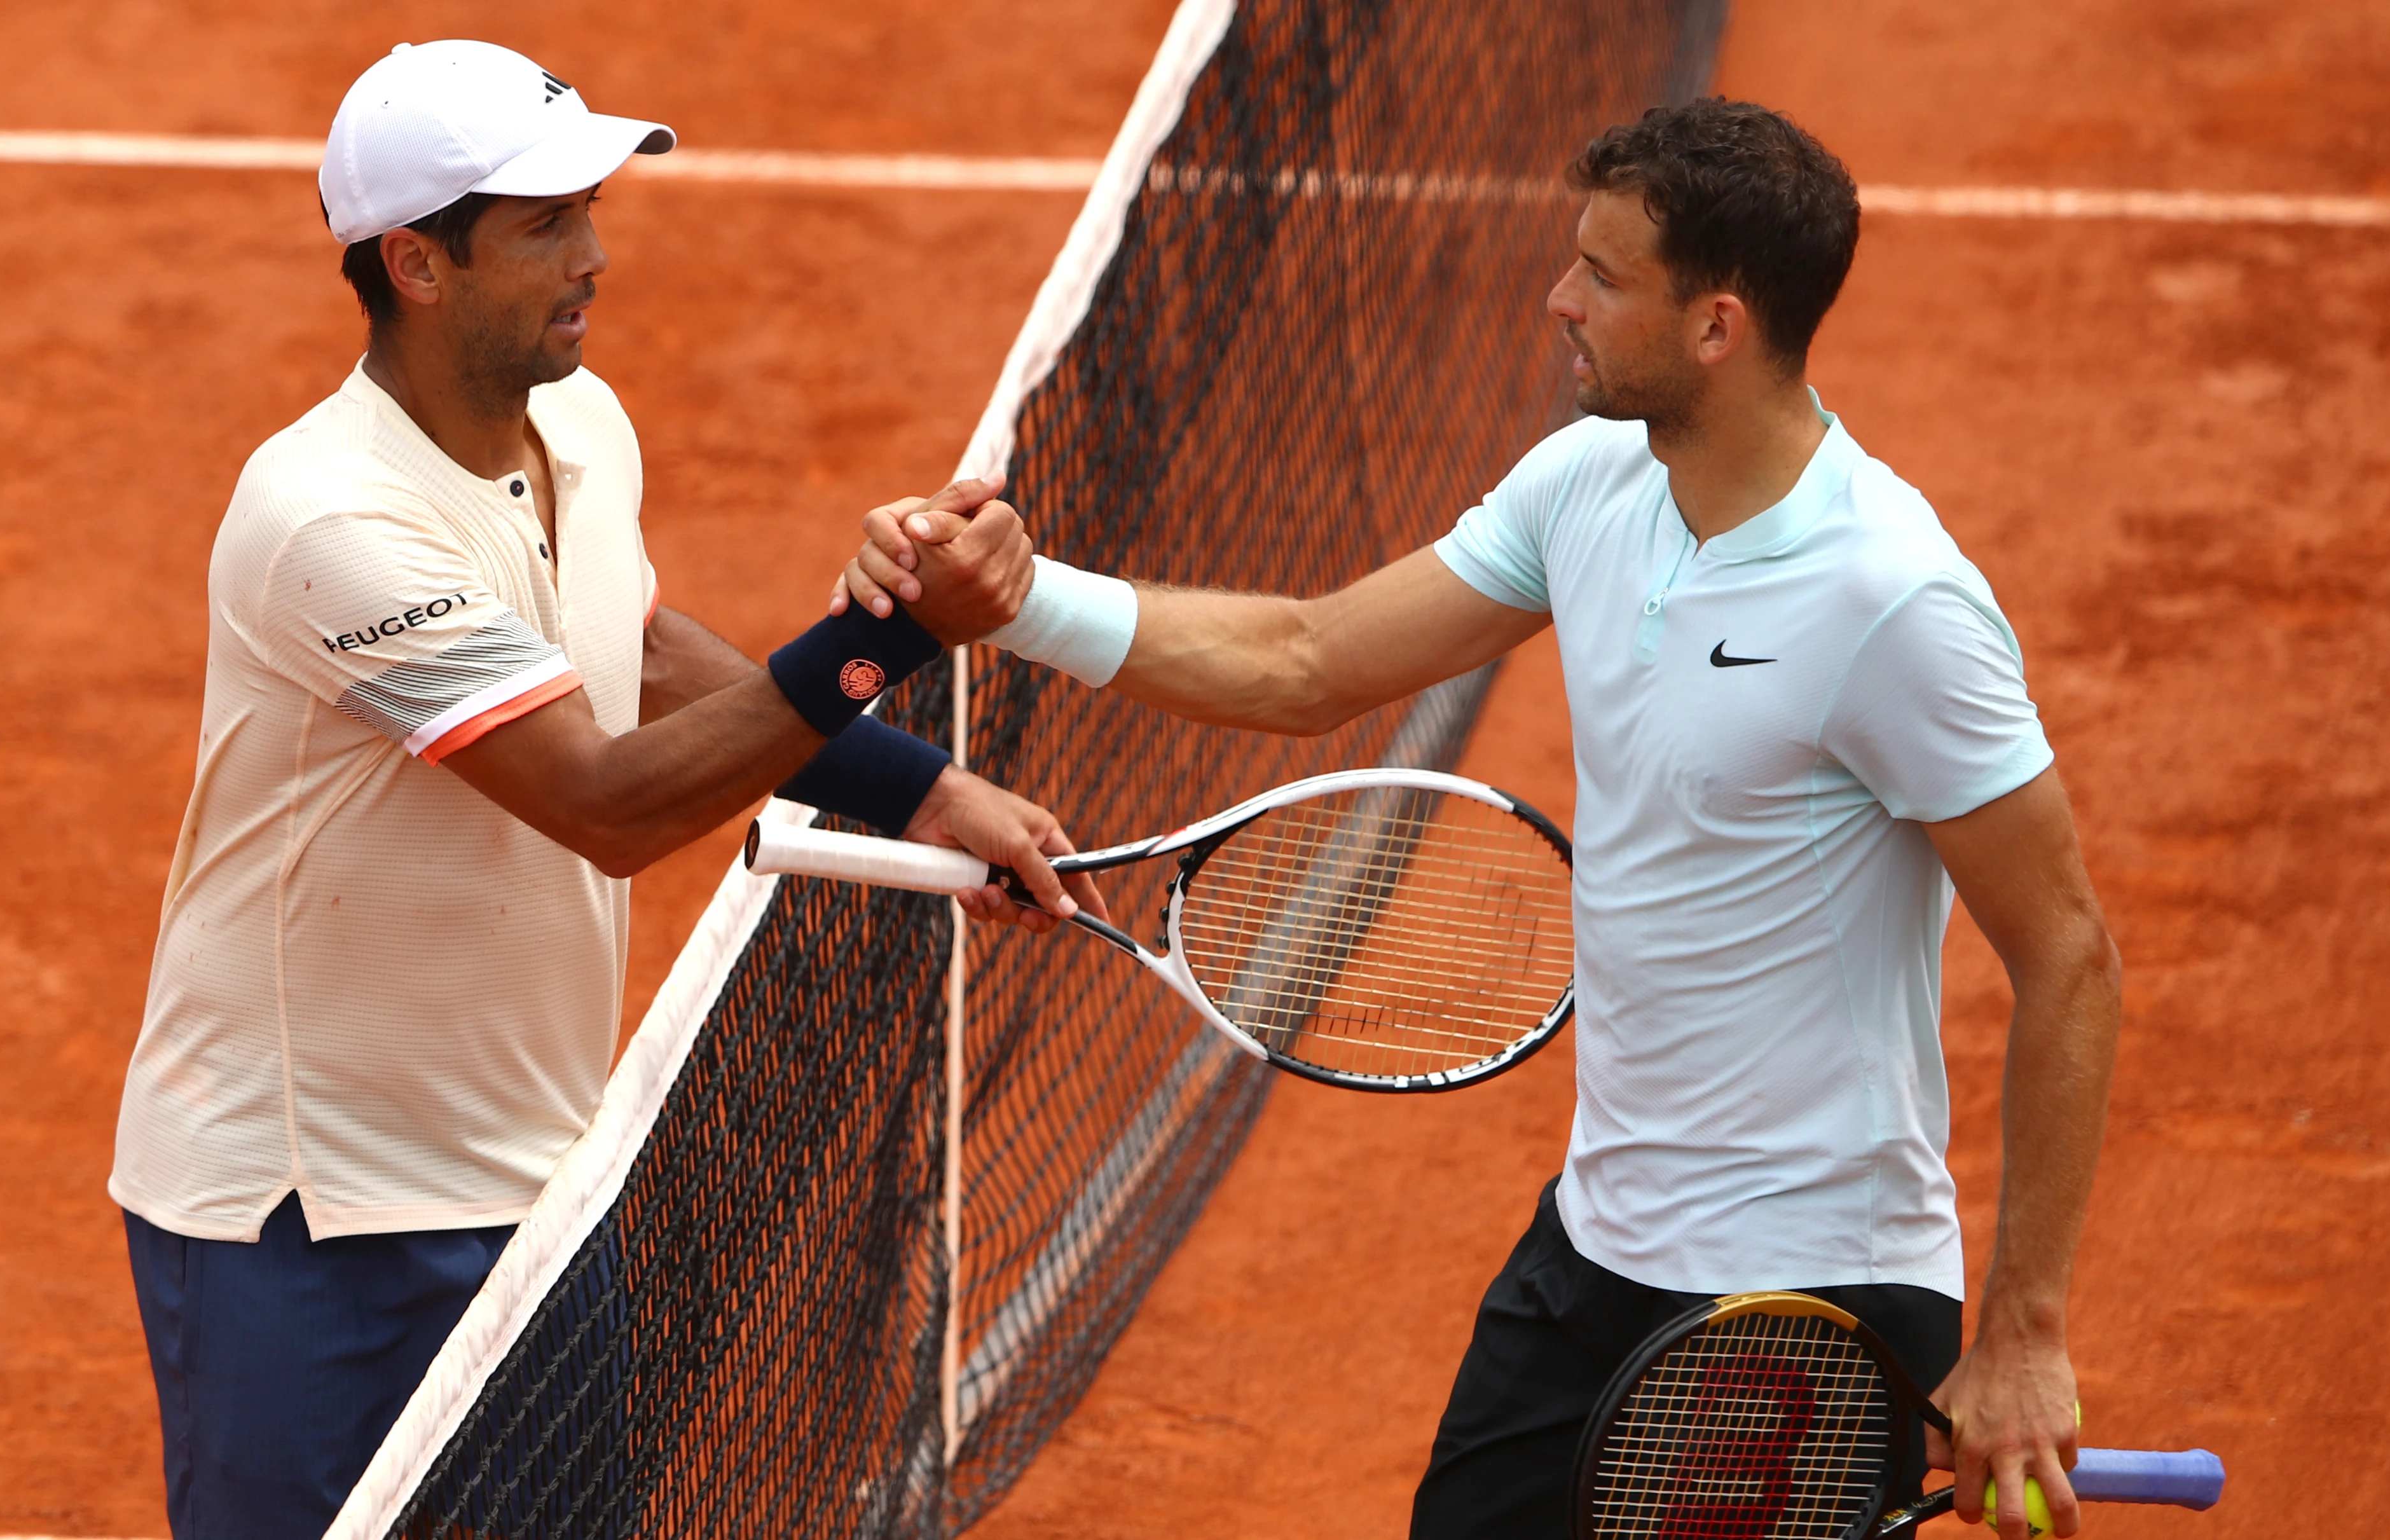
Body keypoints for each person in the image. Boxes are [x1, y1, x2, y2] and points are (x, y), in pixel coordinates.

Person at [839, 99, 2119, 1540]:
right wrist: (1015, 602)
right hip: (1594, 1245)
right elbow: (1307, 658)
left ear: (1716, 326)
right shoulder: (1591, 483)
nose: (1558, 300)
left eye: (1603, 276)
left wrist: (2018, 1332)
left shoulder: (1889, 600)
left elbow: (2064, 949)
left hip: (1800, 1290)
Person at [107, 39, 1092, 1539]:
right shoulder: (328, 521)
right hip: (308, 1216)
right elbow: (606, 801)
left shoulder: (582, 425)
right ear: (415, 263)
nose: (596, 253)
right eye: (547, 225)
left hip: (533, 1176)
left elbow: (626, 641)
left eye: (590, 209)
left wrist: (922, 790)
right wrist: (885, 636)